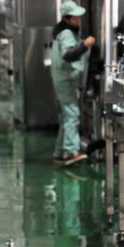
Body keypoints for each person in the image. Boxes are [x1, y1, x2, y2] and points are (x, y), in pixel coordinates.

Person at [51, 1, 95, 166]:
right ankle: (70, 152)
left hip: (62, 78)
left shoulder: (61, 31)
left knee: (66, 117)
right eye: (76, 16)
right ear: (68, 19)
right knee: (72, 114)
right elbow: (68, 55)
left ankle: (60, 153)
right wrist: (85, 45)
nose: (79, 19)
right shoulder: (67, 33)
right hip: (66, 79)